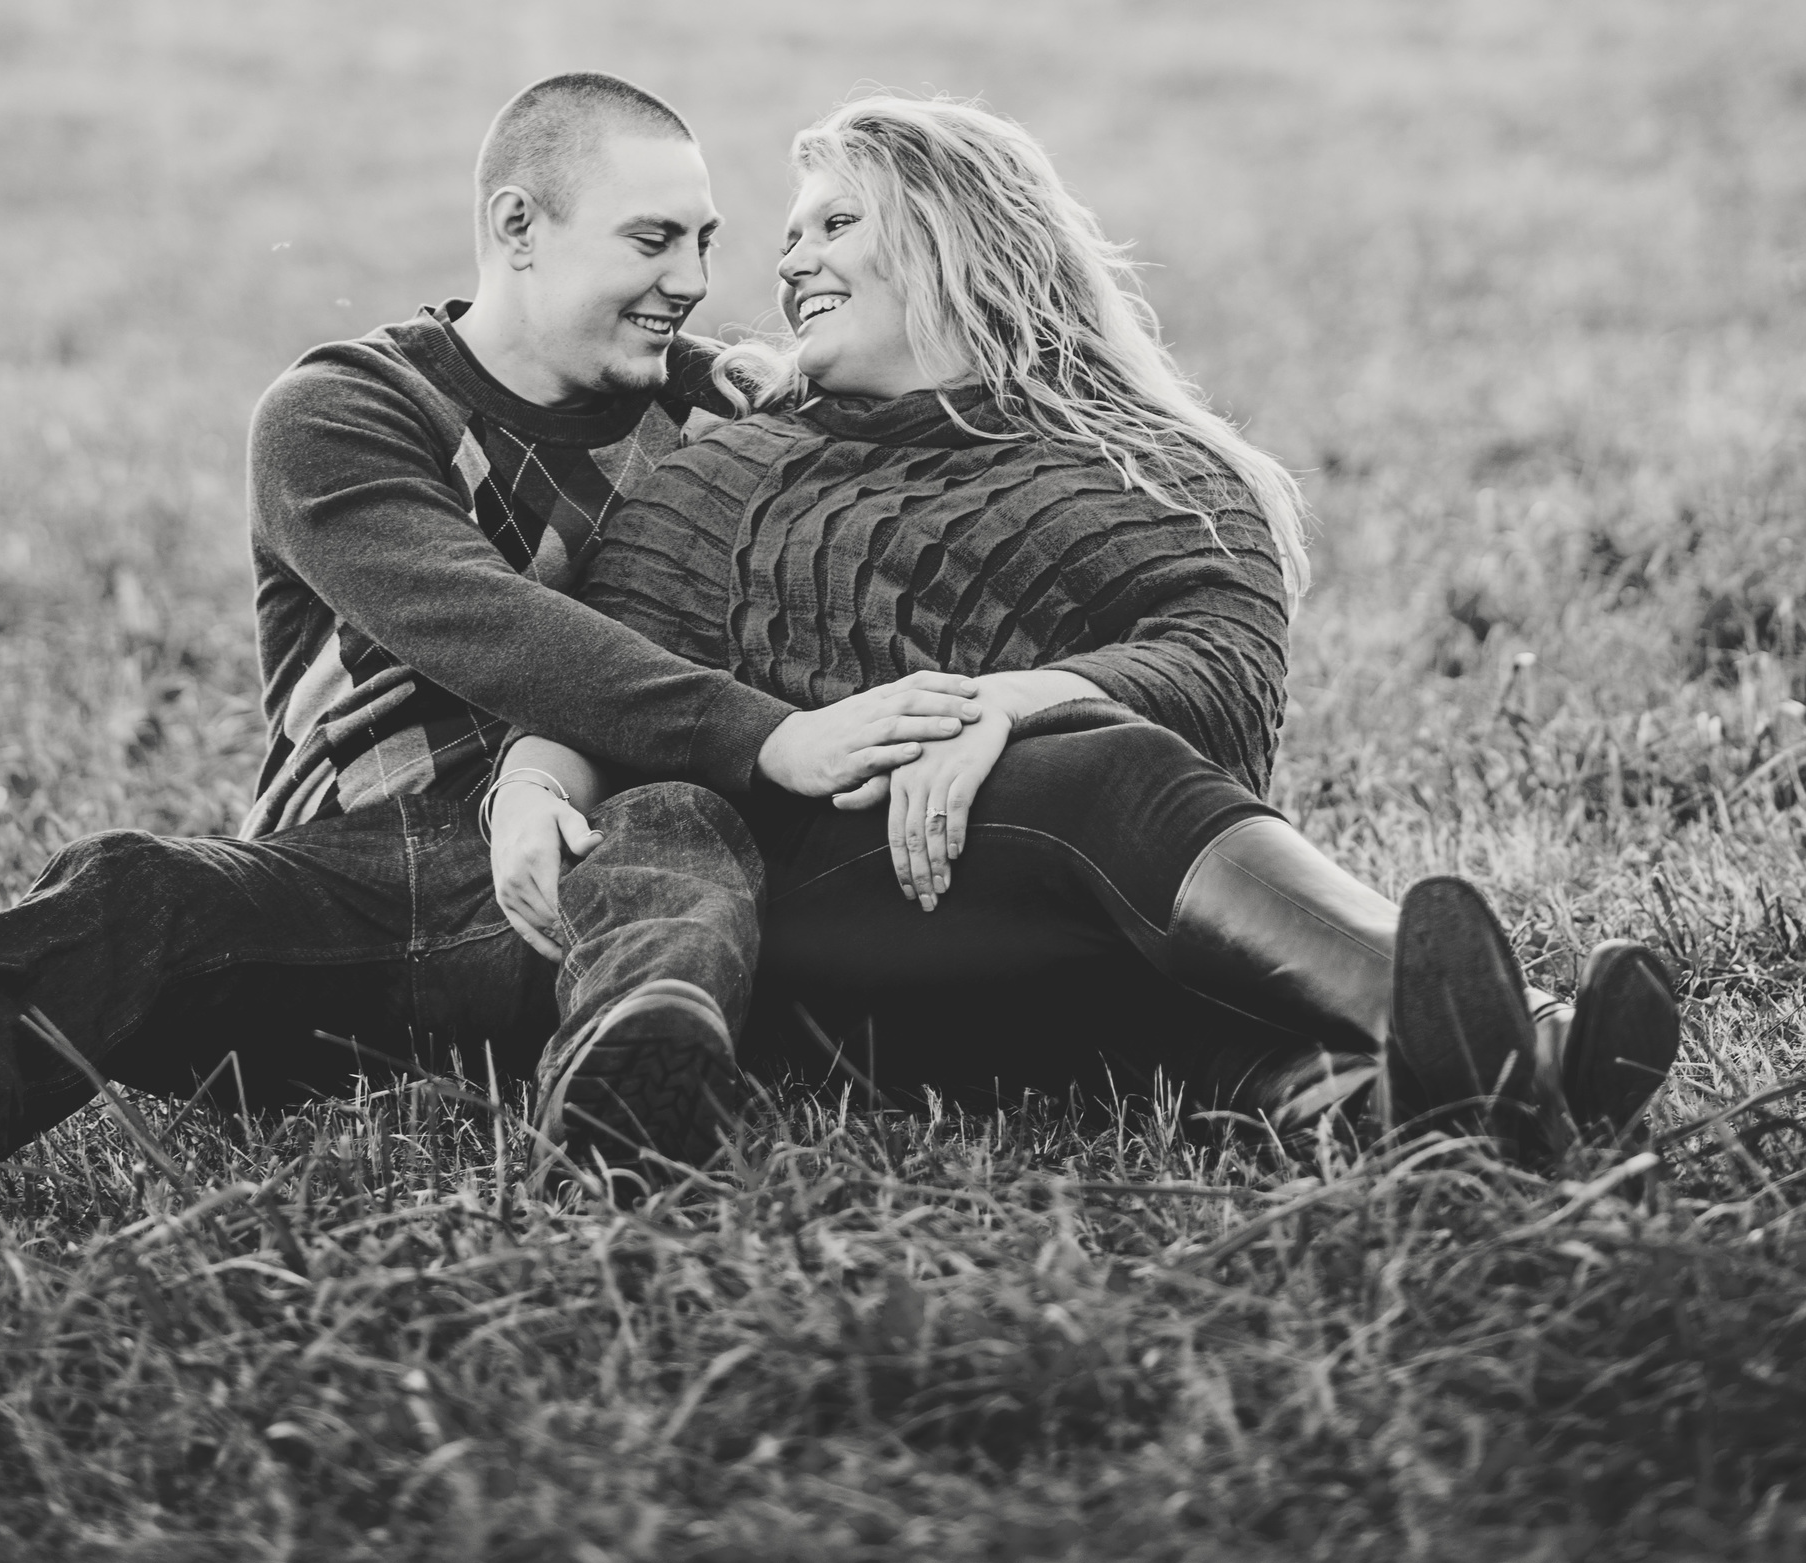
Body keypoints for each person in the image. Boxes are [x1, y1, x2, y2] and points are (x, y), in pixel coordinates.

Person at [0, 71, 981, 1220]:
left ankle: (630, 1083)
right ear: (518, 225)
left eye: (705, 242)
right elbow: (486, 624)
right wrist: (774, 738)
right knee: (134, 890)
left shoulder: (716, 410)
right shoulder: (346, 409)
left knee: (675, 835)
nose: (691, 278)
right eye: (651, 239)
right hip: (346, 885)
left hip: (584, 875)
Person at [491, 94, 1680, 1169]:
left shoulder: (1150, 465)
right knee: (1104, 786)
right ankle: (1520, 1034)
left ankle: (1419, 1107)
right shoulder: (729, 476)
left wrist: (1009, 703)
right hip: (816, 914)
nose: (788, 258)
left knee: (1177, 977)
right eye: (792, 233)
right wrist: (534, 781)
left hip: (1078, 928)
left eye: (835, 224)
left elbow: (1219, 669)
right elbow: (614, 673)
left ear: (955, 236)